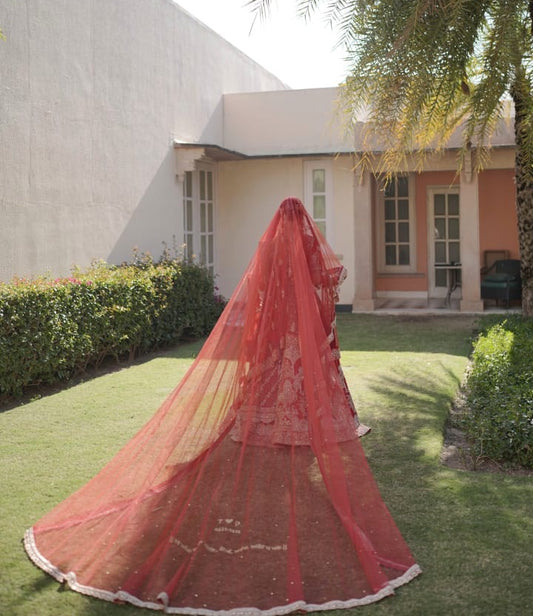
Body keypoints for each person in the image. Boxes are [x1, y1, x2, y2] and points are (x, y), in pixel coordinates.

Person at [24, 198, 420, 613]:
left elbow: (258, 302)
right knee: (293, 387)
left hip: (277, 338)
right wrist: (321, 339)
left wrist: (259, 343)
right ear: (303, 222)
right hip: (298, 340)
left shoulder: (268, 251)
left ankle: (269, 426)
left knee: (270, 388)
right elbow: (322, 301)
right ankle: (290, 428)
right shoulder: (310, 250)